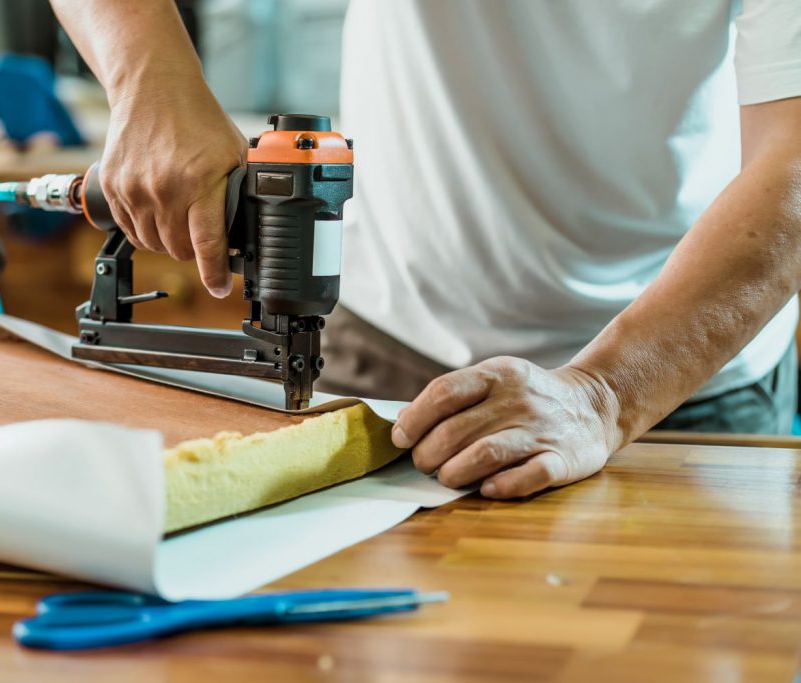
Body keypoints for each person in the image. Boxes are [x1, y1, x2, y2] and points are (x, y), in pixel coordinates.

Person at [50, 0, 801, 499]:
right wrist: (149, 80)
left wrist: (606, 394)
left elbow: (793, 169)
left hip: (684, 373)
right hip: (386, 346)